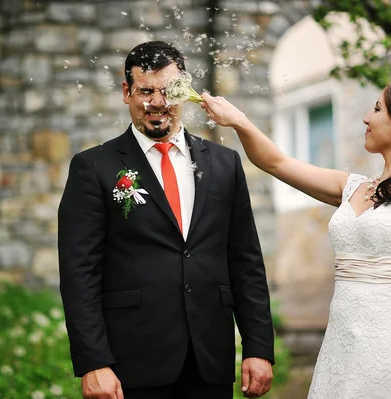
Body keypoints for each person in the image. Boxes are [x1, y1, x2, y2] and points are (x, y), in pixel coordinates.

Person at [201, 81, 391, 398]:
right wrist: (238, 119)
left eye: (377, 109)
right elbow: (275, 162)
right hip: (341, 344)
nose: (367, 118)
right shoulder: (352, 187)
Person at [58, 41, 275, 399]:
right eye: (146, 91)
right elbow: (79, 272)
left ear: (184, 91)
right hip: (131, 363)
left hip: (210, 361)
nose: (158, 103)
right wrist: (93, 361)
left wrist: (258, 347)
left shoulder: (224, 163)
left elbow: (246, 261)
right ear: (127, 92)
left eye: (169, 91)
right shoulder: (93, 167)